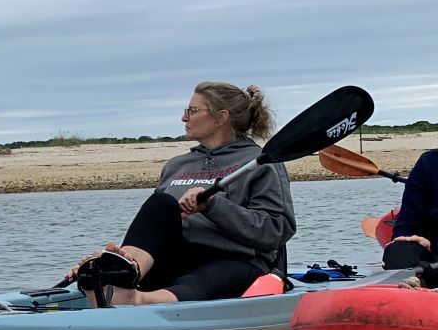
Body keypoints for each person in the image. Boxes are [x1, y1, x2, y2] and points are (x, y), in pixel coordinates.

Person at [62, 82, 296, 306]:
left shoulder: (260, 164)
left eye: (192, 111)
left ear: (220, 117)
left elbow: (277, 230)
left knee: (206, 277)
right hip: (175, 259)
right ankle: (123, 271)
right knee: (161, 203)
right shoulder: (177, 165)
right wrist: (107, 263)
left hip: (236, 260)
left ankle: (135, 300)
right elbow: (155, 228)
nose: (184, 117)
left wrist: (213, 206)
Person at [384, 149, 438, 271]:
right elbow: (407, 226)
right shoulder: (429, 162)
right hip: (433, 258)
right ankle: (412, 286)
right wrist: (409, 237)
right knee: (398, 251)